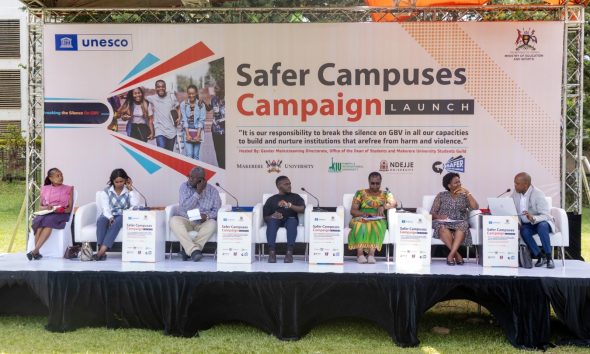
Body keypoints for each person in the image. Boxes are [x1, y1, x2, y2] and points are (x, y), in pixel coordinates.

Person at [170, 166, 221, 261]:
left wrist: (207, 216)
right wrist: (198, 192)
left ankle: (189, 251)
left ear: (201, 180)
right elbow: (185, 206)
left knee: (213, 224)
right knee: (174, 221)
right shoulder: (184, 187)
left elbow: (216, 209)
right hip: (186, 219)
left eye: (193, 178)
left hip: (203, 222)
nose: (190, 179)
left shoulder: (213, 191)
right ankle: (194, 251)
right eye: (189, 176)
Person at [430, 172, 479, 266]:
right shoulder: (441, 195)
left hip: (459, 221)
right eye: (456, 182)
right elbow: (432, 213)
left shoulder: (464, 196)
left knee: (463, 225)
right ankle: (457, 255)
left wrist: (468, 192)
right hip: (443, 221)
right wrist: (438, 217)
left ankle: (450, 255)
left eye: (459, 182)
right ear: (449, 185)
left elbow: (475, 207)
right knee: (442, 227)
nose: (459, 184)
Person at [348, 172, 396, 264]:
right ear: (368, 182)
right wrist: (364, 214)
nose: (375, 186)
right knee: (360, 224)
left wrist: (383, 207)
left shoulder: (386, 194)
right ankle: (360, 254)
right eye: (372, 183)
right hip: (361, 216)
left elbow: (394, 203)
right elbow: (353, 211)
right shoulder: (360, 193)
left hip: (378, 218)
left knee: (377, 224)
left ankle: (371, 255)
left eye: (377, 183)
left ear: (381, 182)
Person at [94, 168, 141, 261]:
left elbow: (135, 205)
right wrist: (110, 217)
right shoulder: (106, 191)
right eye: (117, 182)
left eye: (121, 181)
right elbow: (105, 208)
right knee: (101, 221)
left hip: (123, 214)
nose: (119, 184)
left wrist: (130, 189)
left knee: (116, 223)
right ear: (112, 181)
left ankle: (101, 252)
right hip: (109, 213)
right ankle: (101, 250)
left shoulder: (129, 191)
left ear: (126, 180)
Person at [28, 168, 74, 260]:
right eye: (57, 176)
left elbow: (69, 209)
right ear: (51, 178)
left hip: (61, 213)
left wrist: (60, 210)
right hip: (47, 213)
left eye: (61, 175)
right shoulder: (44, 189)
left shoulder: (69, 189)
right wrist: (47, 208)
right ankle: (36, 253)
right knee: (38, 222)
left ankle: (35, 251)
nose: (61, 177)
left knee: (48, 222)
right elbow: (40, 206)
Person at [512, 172, 555, 269]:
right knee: (524, 230)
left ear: (525, 184)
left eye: (517, 184)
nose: (515, 186)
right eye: (514, 183)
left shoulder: (538, 194)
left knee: (542, 227)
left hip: (541, 222)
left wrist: (533, 218)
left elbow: (546, 215)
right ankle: (540, 256)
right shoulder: (516, 193)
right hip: (528, 225)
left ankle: (549, 258)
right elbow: (509, 203)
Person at [262, 176, 306, 263]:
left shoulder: (296, 196)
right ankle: (272, 253)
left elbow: (302, 209)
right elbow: (265, 217)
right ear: (279, 186)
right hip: (276, 221)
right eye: (286, 184)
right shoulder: (271, 200)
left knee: (292, 221)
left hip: (290, 220)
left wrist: (289, 205)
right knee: (272, 221)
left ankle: (289, 253)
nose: (289, 186)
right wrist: (272, 216)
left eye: (290, 183)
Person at [147, 80, 179, 151]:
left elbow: (178, 108)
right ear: (155, 88)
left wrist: (179, 117)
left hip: (172, 131)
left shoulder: (171, 96)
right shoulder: (151, 98)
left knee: (169, 153)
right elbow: (139, 97)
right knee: (161, 151)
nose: (161, 88)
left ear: (165, 87)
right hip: (159, 130)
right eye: (158, 87)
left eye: (163, 86)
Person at [180, 85, 206, 160]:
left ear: (196, 93)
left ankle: (196, 171)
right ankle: (189, 171)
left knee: (196, 155)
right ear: (187, 93)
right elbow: (184, 120)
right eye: (189, 93)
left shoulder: (201, 105)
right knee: (189, 154)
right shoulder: (183, 104)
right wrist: (187, 135)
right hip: (187, 131)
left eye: (193, 93)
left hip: (198, 130)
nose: (191, 95)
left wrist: (198, 135)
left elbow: (201, 120)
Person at [210, 85, 225, 169]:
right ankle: (221, 170)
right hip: (215, 130)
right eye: (215, 88)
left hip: (226, 131)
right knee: (219, 154)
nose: (215, 90)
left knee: (226, 154)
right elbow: (214, 113)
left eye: (217, 88)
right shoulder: (214, 99)